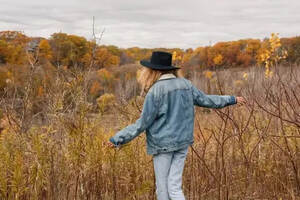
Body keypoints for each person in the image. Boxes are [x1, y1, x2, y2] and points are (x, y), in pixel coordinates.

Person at [104, 51, 246, 200]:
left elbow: (142, 123)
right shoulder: (186, 85)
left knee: (163, 190)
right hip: (182, 143)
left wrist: (117, 139)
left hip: (163, 145)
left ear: (154, 71)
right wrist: (231, 99)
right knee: (174, 187)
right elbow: (207, 100)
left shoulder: (155, 91)